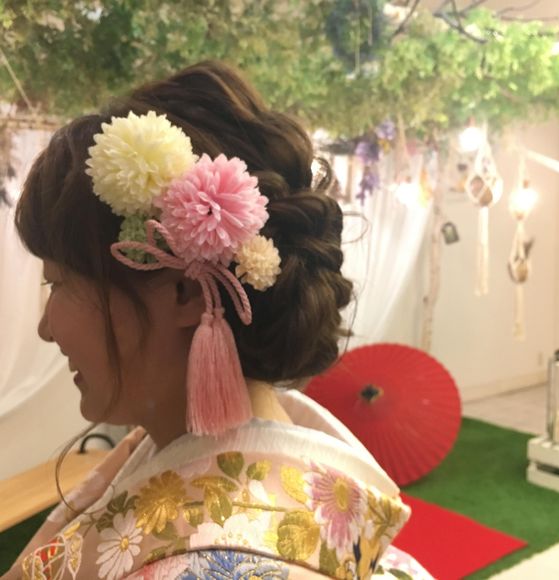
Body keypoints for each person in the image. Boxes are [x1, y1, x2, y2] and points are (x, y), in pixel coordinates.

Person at [4, 61, 431, 580]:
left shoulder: (210, 565)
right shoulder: (254, 454)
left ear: (185, 292)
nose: (47, 328)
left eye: (60, 284)